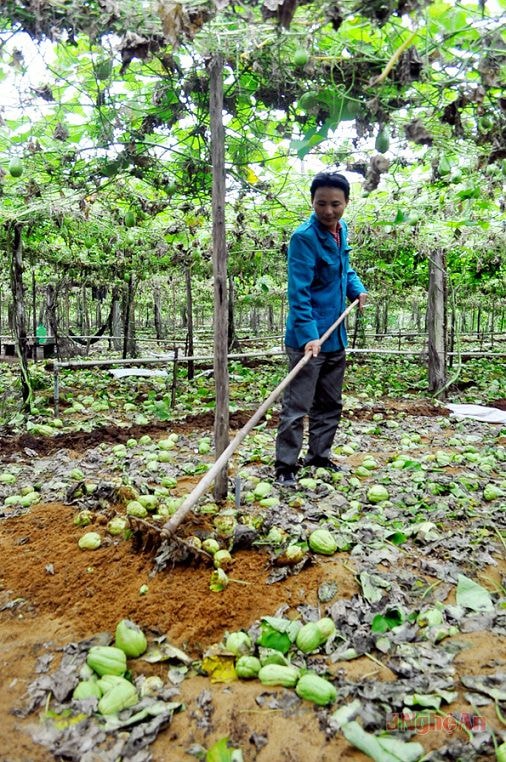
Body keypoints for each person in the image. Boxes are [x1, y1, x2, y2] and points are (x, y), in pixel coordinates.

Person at [274, 172, 367, 486]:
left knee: (329, 403)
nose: (329, 211)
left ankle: (319, 457)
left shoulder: (343, 231)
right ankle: (285, 466)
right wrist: (309, 335)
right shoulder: (304, 238)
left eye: (335, 204)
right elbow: (298, 293)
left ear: (346, 204)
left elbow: (346, 269)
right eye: (321, 204)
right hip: (309, 338)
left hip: (335, 335)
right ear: (312, 202)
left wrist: (357, 289)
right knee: (298, 405)